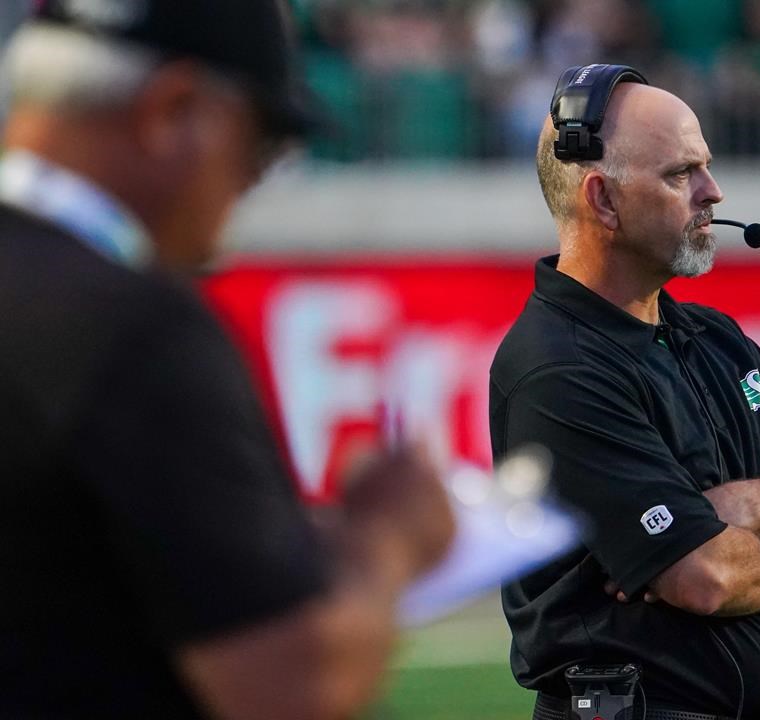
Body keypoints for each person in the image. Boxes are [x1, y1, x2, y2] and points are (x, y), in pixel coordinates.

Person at [0, 2, 454, 719]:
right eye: (264, 144)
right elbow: (295, 685)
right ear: (171, 111)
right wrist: (387, 534)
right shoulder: (130, 325)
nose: (249, 183)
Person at [489, 66, 760, 720]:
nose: (714, 191)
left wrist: (746, 504)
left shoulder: (712, 336)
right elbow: (704, 576)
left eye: (704, 166)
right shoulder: (557, 368)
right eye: (681, 175)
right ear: (603, 201)